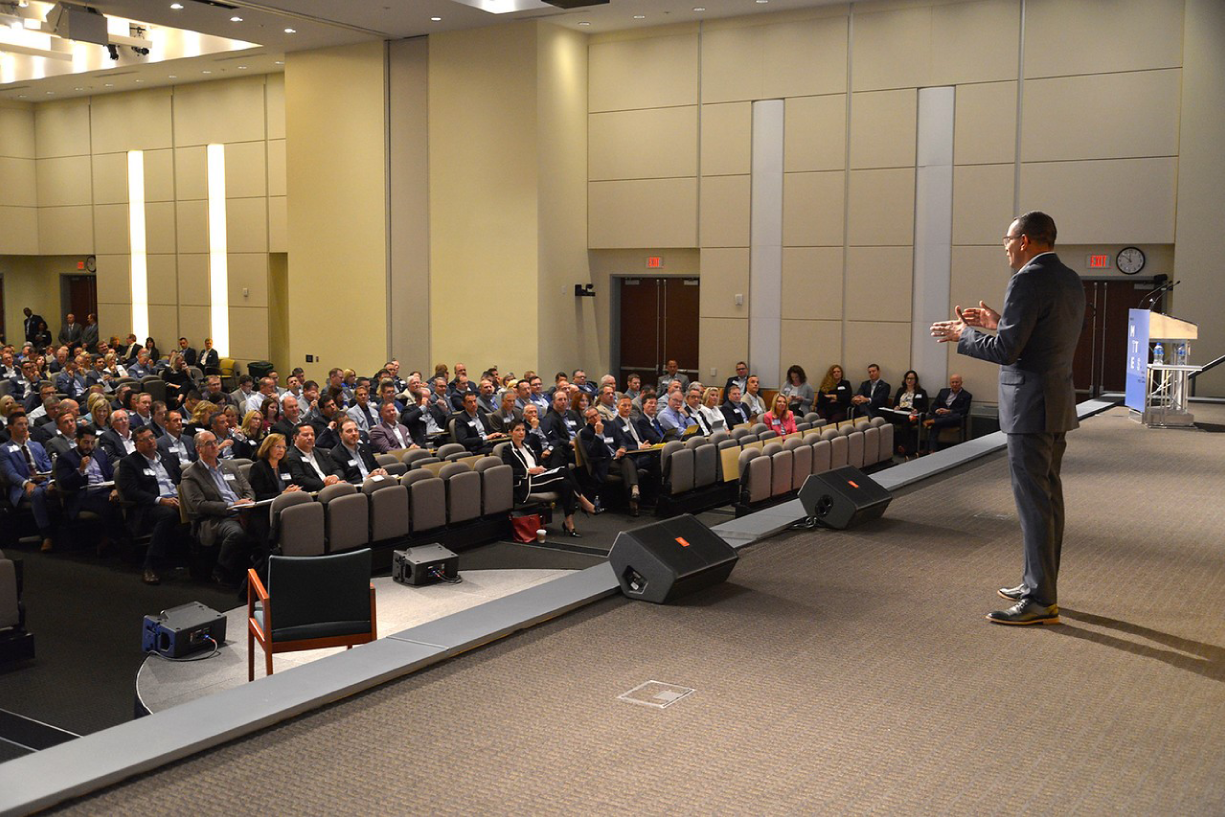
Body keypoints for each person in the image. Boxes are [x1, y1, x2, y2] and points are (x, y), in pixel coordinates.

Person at [931, 211, 1085, 625]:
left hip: (1029, 407)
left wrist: (964, 335)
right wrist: (997, 324)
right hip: (1055, 404)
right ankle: (1039, 582)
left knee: (1034, 504)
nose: (1004, 245)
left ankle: (1040, 598)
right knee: (1049, 499)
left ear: (1026, 241)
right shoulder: (1069, 278)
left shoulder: (1026, 279)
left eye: (1007, 238)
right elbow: (1038, 339)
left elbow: (1007, 353)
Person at [180, 430, 262, 587]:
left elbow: (248, 489)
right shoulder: (191, 474)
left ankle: (260, 570)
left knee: (267, 525)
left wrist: (247, 502)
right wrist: (232, 506)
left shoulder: (230, 465)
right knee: (236, 533)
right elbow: (199, 505)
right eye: (208, 444)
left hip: (244, 511)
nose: (214, 446)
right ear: (199, 449)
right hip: (217, 518)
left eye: (215, 442)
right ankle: (221, 569)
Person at [502, 419, 595, 538]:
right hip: (526, 483)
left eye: (523, 430)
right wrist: (529, 471)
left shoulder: (527, 447)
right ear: (510, 432)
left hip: (539, 476)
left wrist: (541, 467)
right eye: (517, 430)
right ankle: (584, 501)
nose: (521, 433)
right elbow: (508, 470)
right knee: (564, 471)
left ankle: (569, 522)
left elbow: (538, 462)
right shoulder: (507, 449)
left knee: (566, 484)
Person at [116, 425, 184, 585]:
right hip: (148, 506)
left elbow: (181, 482)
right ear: (136, 444)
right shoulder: (129, 463)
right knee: (168, 515)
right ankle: (150, 565)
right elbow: (132, 492)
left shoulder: (168, 458)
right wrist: (161, 500)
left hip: (177, 499)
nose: (150, 442)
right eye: (144, 440)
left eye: (151, 437)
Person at [54, 425, 127, 553]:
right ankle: (113, 539)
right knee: (109, 505)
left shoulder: (100, 453)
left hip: (104, 490)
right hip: (83, 495)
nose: (89, 446)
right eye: (86, 442)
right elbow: (65, 484)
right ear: (77, 441)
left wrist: (115, 489)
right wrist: (81, 470)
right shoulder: (65, 458)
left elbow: (111, 474)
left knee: (123, 500)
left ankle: (120, 537)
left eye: (92, 443)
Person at [0, 412, 56, 552]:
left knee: (56, 488)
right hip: (21, 488)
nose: (24, 427)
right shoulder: (4, 449)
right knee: (36, 493)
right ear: (10, 428)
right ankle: (47, 535)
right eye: (20, 424)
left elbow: (48, 467)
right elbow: (11, 474)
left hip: (43, 481)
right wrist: (26, 483)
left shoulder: (36, 445)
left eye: (26, 424)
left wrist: (50, 480)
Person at [579, 406, 647, 516]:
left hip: (618, 458)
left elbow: (621, 439)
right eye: (591, 417)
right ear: (587, 420)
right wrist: (598, 434)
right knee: (629, 464)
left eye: (596, 415)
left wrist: (622, 448)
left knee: (627, 461)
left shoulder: (610, 424)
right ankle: (633, 496)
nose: (595, 418)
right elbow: (592, 452)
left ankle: (633, 496)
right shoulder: (586, 433)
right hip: (604, 462)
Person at [328, 417, 388, 484]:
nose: (354, 433)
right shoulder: (335, 454)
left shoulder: (364, 447)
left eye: (356, 430)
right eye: (349, 431)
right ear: (340, 435)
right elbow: (344, 481)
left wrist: (380, 471)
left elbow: (375, 466)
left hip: (375, 483)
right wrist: (367, 478)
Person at [285, 422, 343, 491]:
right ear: (295, 437)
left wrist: (335, 477)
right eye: (305, 435)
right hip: (315, 494)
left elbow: (338, 469)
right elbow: (301, 480)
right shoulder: (291, 456)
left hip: (334, 487)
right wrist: (327, 484)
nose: (310, 437)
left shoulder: (323, 452)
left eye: (312, 435)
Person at [923, 374, 972, 452]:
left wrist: (950, 411)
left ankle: (933, 422)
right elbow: (934, 405)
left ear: (961, 383)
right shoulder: (943, 392)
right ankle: (932, 450)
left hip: (953, 420)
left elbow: (964, 410)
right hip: (941, 416)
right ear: (950, 383)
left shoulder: (967, 395)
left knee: (956, 416)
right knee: (936, 425)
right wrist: (937, 410)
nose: (955, 384)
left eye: (957, 382)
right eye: (953, 382)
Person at [249, 433, 302, 501]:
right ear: (268, 447)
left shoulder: (285, 465)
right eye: (278, 447)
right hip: (270, 506)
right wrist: (282, 494)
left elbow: (293, 484)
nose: (281, 450)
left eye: (284, 447)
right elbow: (259, 496)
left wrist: (294, 489)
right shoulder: (258, 467)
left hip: (288, 501)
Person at [891, 370, 928, 457]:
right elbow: (895, 404)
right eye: (907, 378)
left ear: (915, 380)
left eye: (911, 378)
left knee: (906, 420)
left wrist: (917, 410)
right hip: (900, 412)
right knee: (884, 416)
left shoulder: (921, 392)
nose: (909, 381)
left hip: (912, 414)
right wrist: (895, 407)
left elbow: (926, 407)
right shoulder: (900, 390)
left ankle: (903, 446)